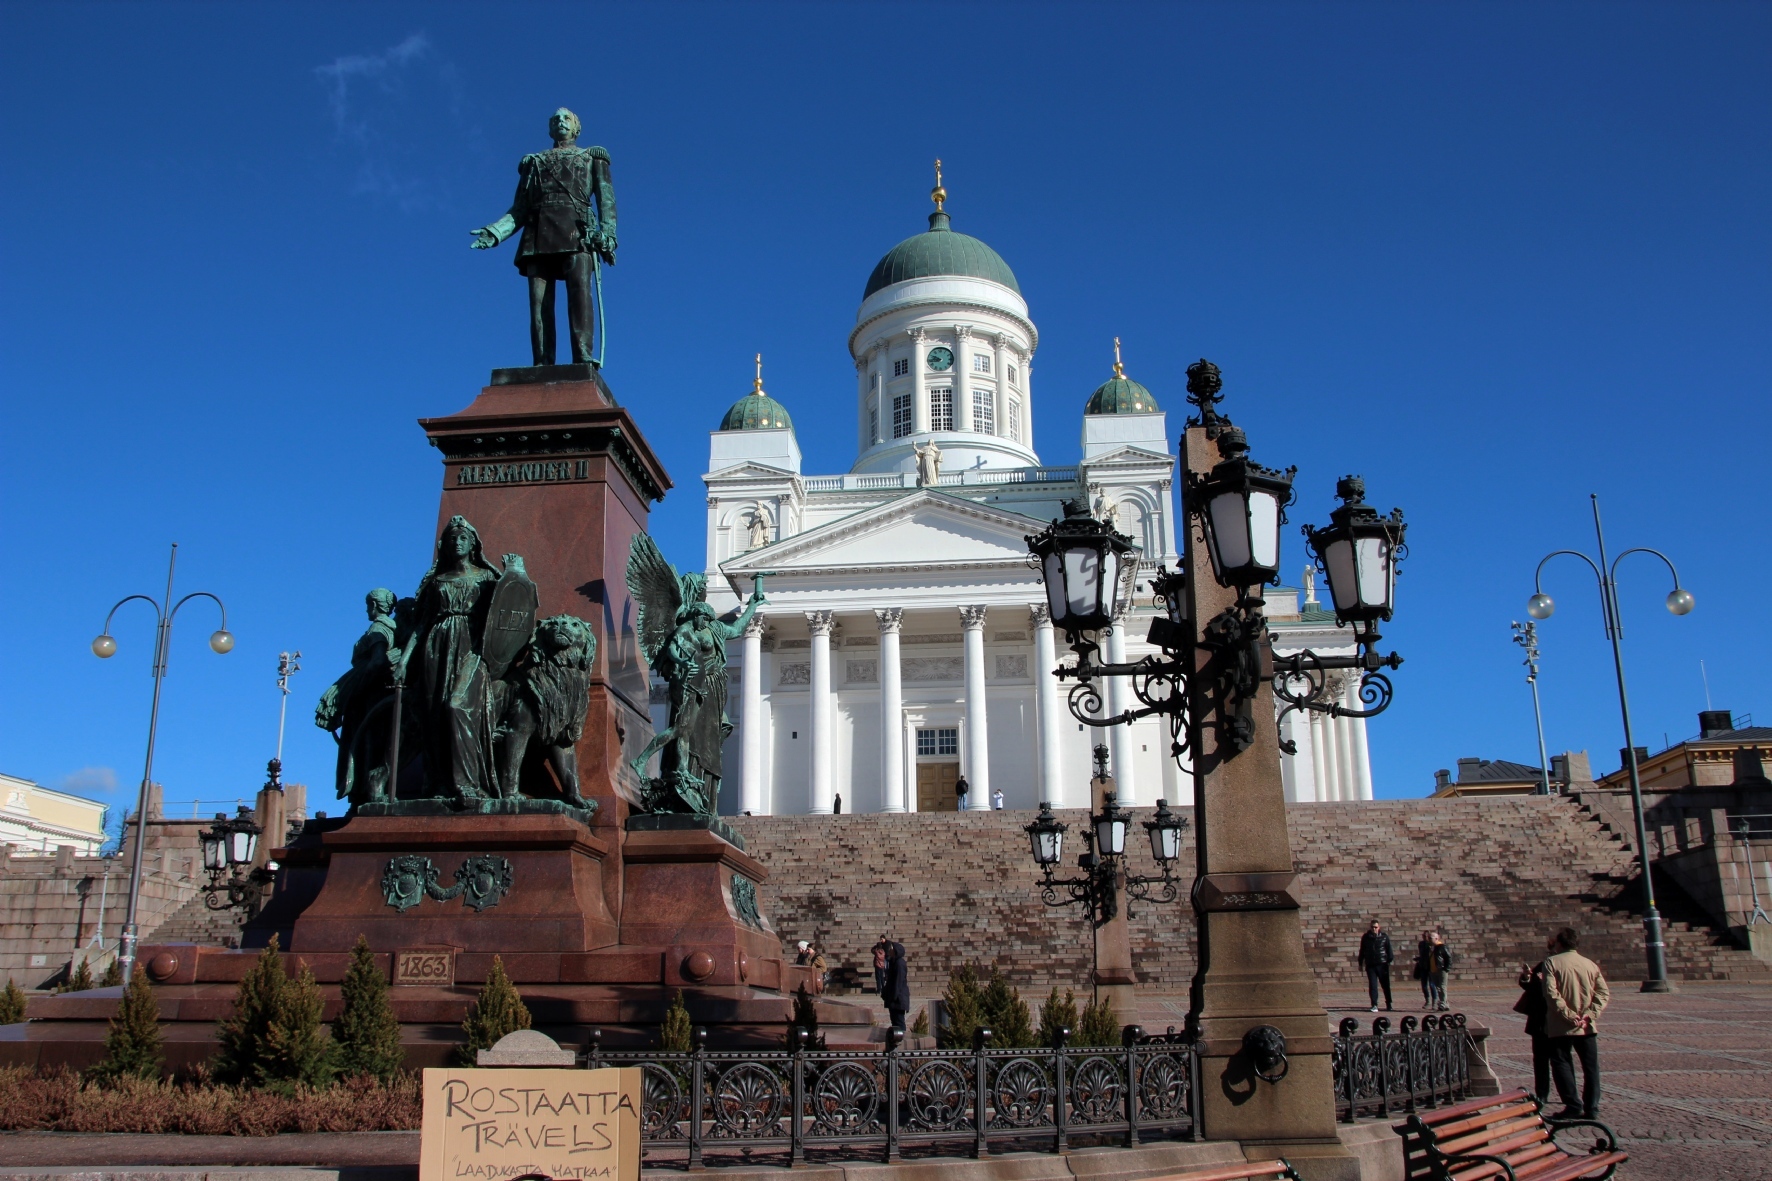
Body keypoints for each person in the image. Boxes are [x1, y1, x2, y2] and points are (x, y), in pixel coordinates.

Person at [472, 108, 617, 367]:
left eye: (566, 119)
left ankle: (582, 356)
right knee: (539, 305)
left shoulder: (591, 157)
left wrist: (608, 235)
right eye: (556, 120)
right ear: (550, 129)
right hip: (538, 232)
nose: (561, 123)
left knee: (580, 296)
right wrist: (495, 233)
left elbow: (607, 202)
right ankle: (542, 362)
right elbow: (519, 209)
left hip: (578, 231)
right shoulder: (534, 162)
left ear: (576, 128)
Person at [1542, 926, 1609, 1120]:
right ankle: (1592, 1106)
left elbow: (1551, 993)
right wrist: (1590, 1014)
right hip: (1587, 1025)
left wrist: (1569, 1015)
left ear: (1560, 943)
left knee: (1561, 1063)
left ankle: (1572, 1104)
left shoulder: (1552, 962)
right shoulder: (1589, 964)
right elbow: (1603, 993)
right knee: (1591, 1068)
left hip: (1561, 1024)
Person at [1515, 952, 1552, 1104]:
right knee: (1541, 1059)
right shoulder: (1544, 965)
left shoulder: (1561, 966)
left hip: (1556, 1019)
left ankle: (1569, 1095)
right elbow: (1529, 986)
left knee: (1561, 1060)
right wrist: (1526, 976)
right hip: (1539, 1021)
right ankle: (1542, 1093)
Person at [1357, 919, 1394, 1012]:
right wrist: (1360, 963)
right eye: (1372, 927)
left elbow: (1389, 950)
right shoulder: (1366, 937)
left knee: (1385, 985)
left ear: (1379, 927)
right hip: (1371, 965)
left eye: (1376, 927)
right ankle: (1374, 1004)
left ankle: (1389, 1003)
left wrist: (1388, 961)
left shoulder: (1384, 937)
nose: (1374, 929)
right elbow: (1362, 951)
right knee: (1373, 985)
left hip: (1382, 964)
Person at [882, 940, 911, 1034]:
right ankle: (896, 1043)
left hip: (898, 1000)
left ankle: (901, 1043)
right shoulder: (893, 962)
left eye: (891, 949)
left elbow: (898, 982)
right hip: (894, 1000)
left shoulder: (899, 963)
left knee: (899, 1023)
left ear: (895, 951)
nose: (889, 950)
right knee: (895, 1023)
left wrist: (893, 997)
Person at [1426, 931, 1453, 1011]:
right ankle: (1445, 1003)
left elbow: (1449, 958)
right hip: (1433, 970)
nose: (1429, 940)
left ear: (1437, 938)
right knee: (1438, 987)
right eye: (1428, 938)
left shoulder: (1442, 947)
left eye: (1431, 938)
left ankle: (1442, 1003)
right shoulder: (1431, 948)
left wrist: (1446, 968)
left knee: (1442, 986)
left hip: (1441, 970)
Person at [1412, 930, 1434, 1008]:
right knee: (1424, 985)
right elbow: (1422, 954)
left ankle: (1434, 1002)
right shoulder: (1421, 944)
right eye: (1423, 936)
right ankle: (1427, 1000)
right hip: (1423, 966)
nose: (1425, 938)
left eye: (1426, 936)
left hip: (1431, 967)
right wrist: (1418, 959)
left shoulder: (1432, 944)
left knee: (1432, 985)